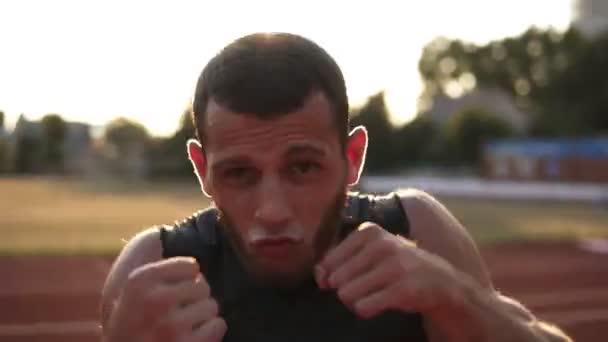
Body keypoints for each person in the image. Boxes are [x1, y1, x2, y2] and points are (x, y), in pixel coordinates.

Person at [100, 32, 572, 342]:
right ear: (202, 170)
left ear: (352, 159)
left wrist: (454, 296)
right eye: (240, 174)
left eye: (302, 168)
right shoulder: (153, 271)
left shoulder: (415, 230)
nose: (273, 210)